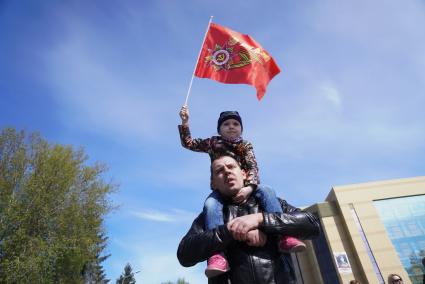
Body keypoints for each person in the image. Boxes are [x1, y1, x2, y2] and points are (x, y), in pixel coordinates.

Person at [178, 105, 306, 277]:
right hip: (220, 194)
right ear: (219, 129)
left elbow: (253, 166)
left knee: (268, 190)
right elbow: (189, 143)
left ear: (241, 129)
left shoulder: (245, 145)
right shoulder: (212, 143)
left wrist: (249, 188)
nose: (231, 126)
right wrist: (185, 123)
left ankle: (283, 236)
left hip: (249, 187)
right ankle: (217, 255)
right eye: (226, 124)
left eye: (235, 124)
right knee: (210, 203)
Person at [177, 156, 320, 283]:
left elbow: (312, 224)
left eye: (231, 166)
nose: (227, 171)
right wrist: (231, 230)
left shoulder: (272, 203)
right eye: (220, 171)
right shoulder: (208, 216)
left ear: (244, 174)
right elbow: (184, 254)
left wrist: (261, 219)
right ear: (213, 183)